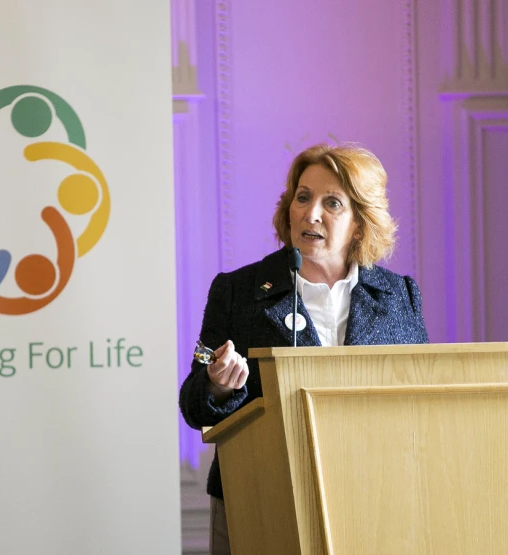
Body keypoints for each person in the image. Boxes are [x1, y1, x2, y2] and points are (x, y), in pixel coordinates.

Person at [178, 143, 429, 555]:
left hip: (375, 501)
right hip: (261, 497)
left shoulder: (399, 295)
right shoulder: (237, 292)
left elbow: (421, 400)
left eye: (332, 203)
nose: (310, 214)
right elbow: (193, 403)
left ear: (361, 224)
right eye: (303, 197)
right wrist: (217, 386)